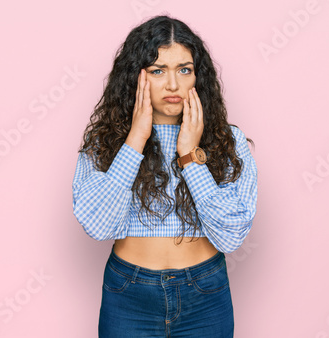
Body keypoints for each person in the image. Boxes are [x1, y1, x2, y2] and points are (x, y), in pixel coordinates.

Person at [72, 14, 258, 337]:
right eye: (158, 71)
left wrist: (189, 155)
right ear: (136, 77)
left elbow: (232, 235)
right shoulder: (106, 141)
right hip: (129, 294)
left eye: (184, 70)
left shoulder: (229, 140)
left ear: (197, 77)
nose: (173, 85)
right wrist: (135, 140)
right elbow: (98, 226)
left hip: (205, 294)